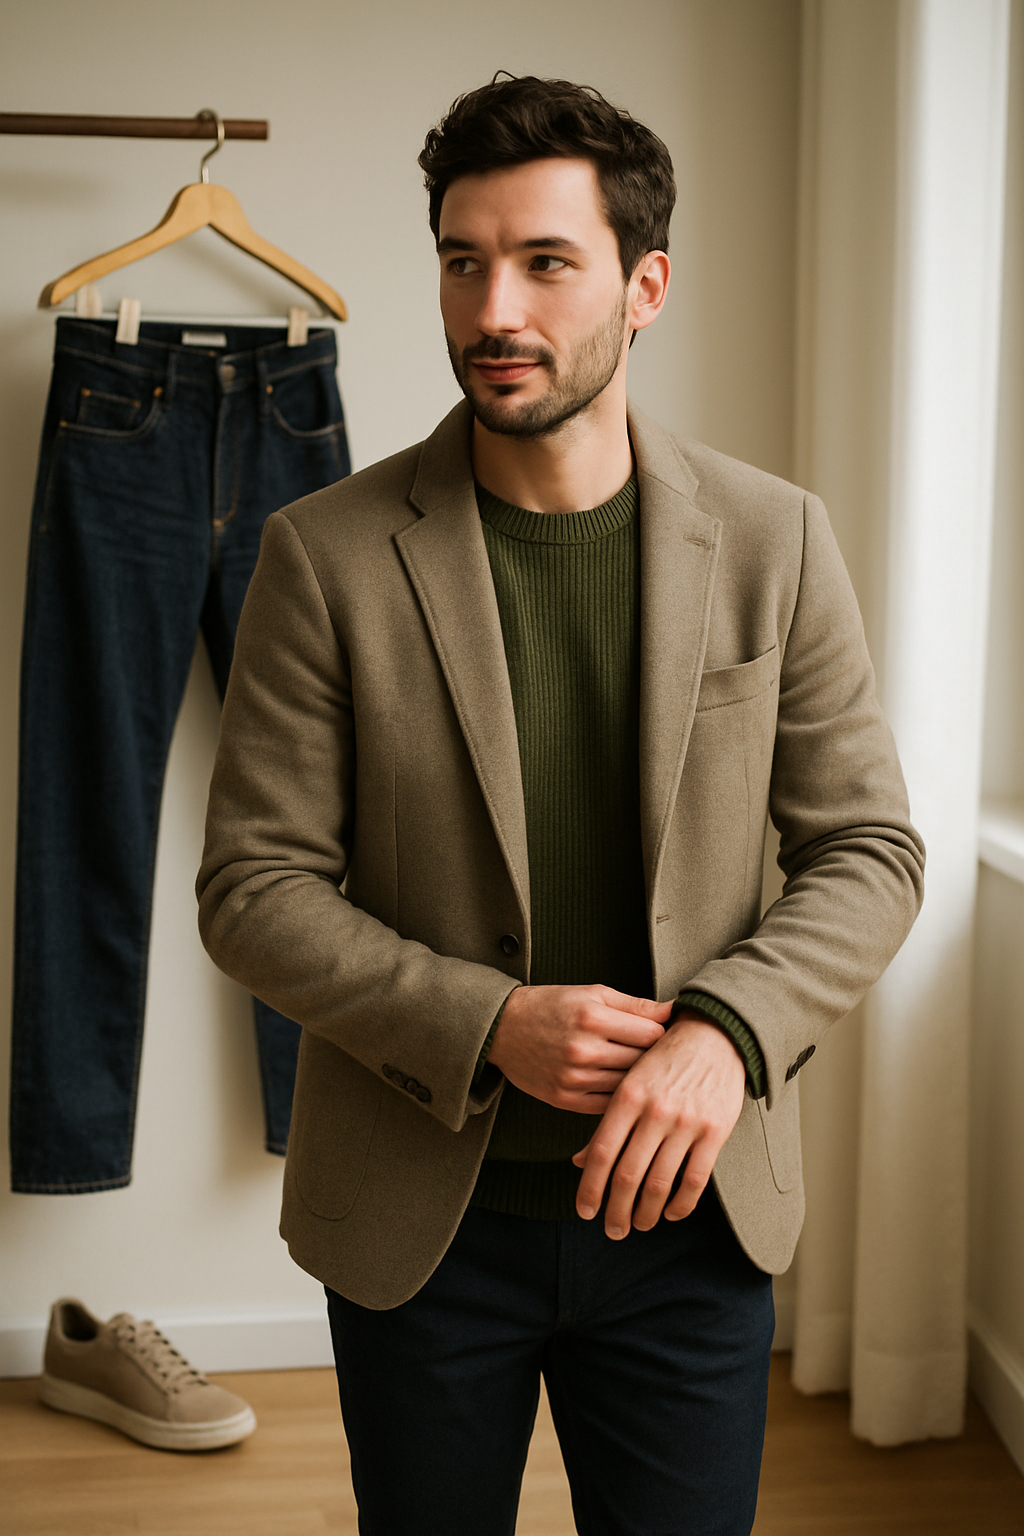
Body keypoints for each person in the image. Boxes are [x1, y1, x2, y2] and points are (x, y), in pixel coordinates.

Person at [197, 74, 924, 1536]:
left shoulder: (776, 542)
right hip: (424, 1224)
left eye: (543, 262)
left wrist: (729, 1032)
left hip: (690, 1216)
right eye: (462, 261)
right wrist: (486, 1021)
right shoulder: (324, 556)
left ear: (644, 285)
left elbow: (871, 849)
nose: (491, 310)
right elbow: (253, 889)